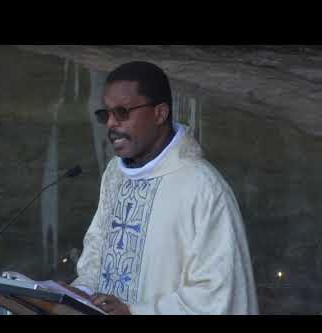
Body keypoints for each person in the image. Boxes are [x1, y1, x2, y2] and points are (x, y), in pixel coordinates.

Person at [66, 61, 259, 315]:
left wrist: (135, 312)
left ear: (160, 113)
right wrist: (79, 293)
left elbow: (219, 294)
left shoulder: (203, 187)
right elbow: (96, 252)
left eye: (122, 112)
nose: (111, 123)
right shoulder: (115, 174)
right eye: (106, 114)